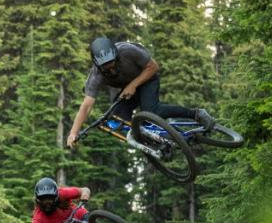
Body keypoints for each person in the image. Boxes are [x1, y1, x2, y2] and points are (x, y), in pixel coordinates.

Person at [66, 36, 214, 149]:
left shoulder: (128, 51)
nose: (111, 69)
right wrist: (73, 133)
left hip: (147, 78)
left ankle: (196, 114)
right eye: (106, 68)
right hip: (128, 90)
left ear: (116, 55)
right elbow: (86, 106)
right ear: (98, 65)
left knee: (151, 111)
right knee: (115, 120)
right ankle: (157, 142)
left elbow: (153, 67)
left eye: (112, 64)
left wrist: (133, 85)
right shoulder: (96, 76)